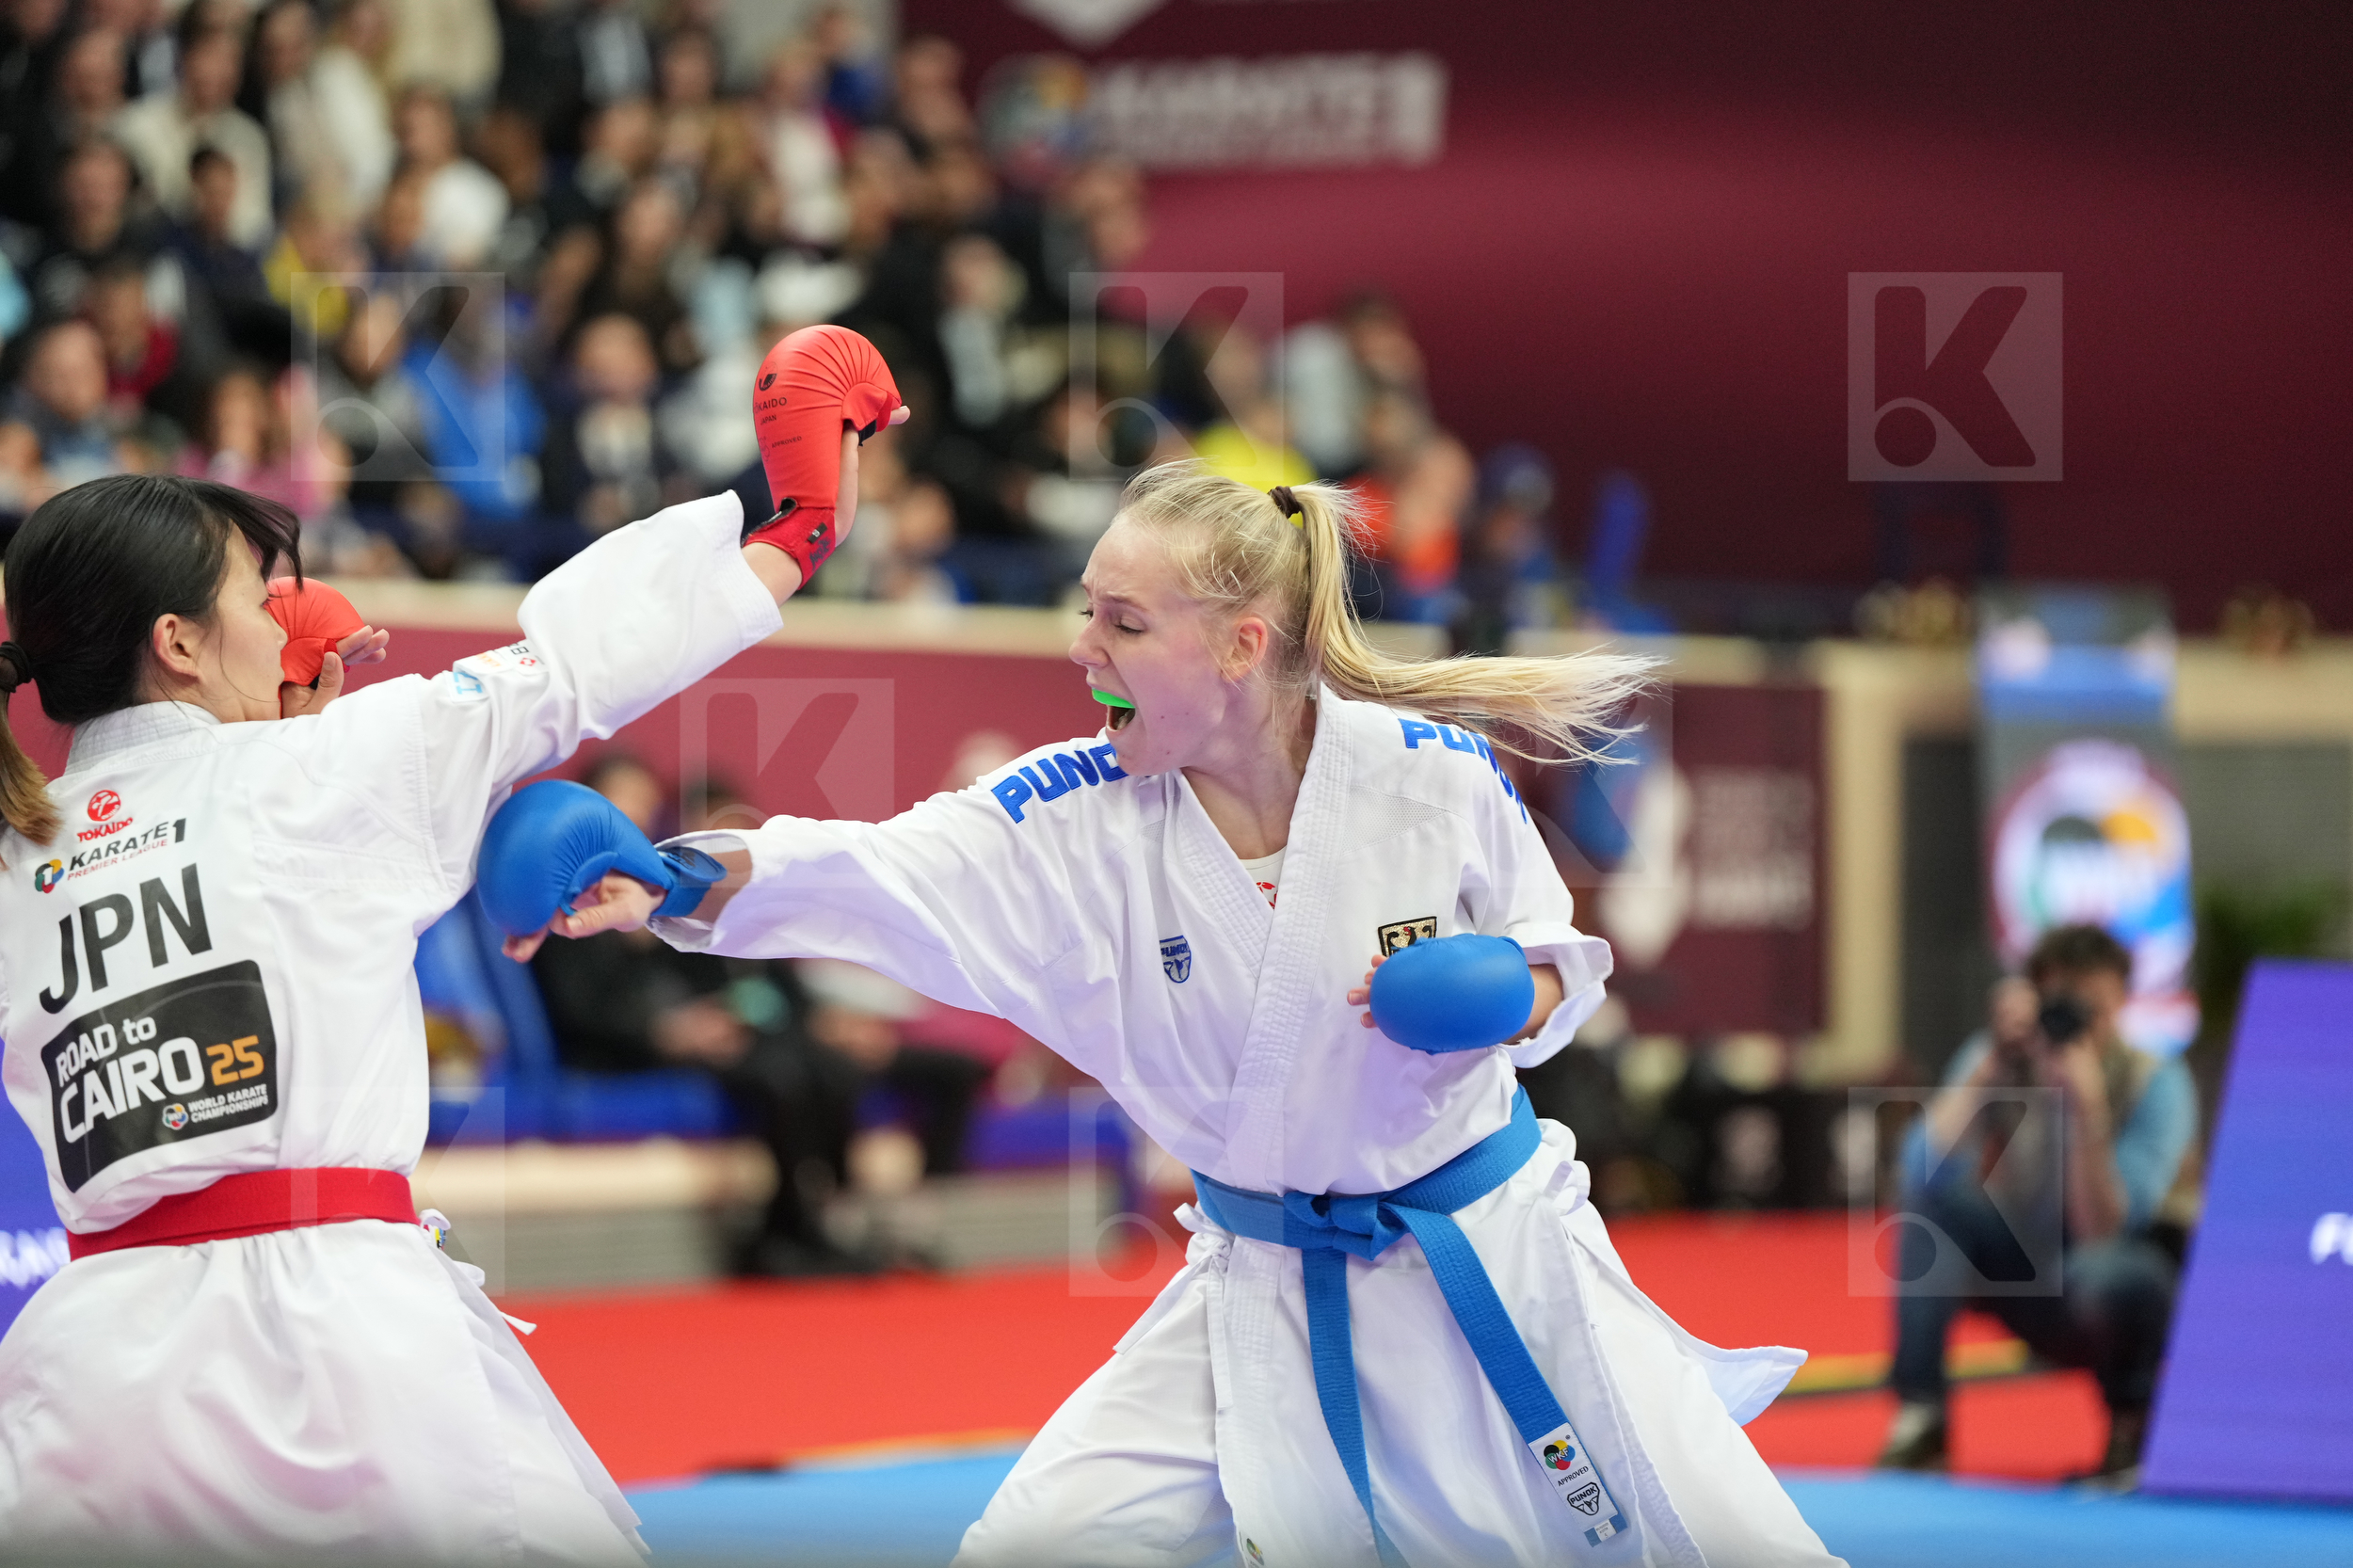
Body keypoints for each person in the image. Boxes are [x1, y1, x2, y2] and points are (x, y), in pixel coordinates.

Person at [507, 463, 1845, 1567]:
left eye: (1124, 623)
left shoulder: (1428, 776)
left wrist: (1516, 989)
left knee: (1725, 1541)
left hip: (1489, 1256)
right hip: (1255, 1281)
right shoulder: (1073, 815)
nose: (1082, 646)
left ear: (1241, 646)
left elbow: (1563, 960)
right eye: (1088, 611)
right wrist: (679, 873)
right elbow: (872, 867)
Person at [0, 358, 908, 1551]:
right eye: (255, 595)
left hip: (81, 1372)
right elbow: (572, 665)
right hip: (333, 1349)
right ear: (177, 641)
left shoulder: (23, 853)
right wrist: (794, 531)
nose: (282, 619)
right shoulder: (325, 768)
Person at [1877, 923, 2198, 1484]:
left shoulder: (2159, 1082)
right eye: (2061, 1006)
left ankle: (2131, 1425)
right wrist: (1990, 1069)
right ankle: (1921, 1416)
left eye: (2092, 1009)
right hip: (2024, 1269)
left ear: (2122, 1000)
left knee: (2110, 1271)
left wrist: (2086, 1109)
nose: (2075, 1025)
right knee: (1934, 1210)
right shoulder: (2001, 1057)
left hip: (2114, 1280)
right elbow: (1915, 1173)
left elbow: (2106, 1229)